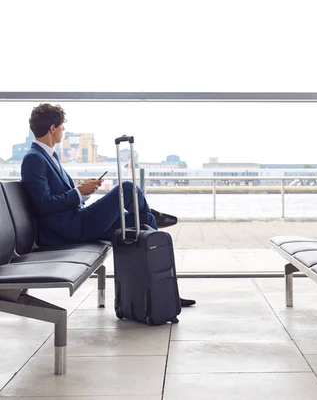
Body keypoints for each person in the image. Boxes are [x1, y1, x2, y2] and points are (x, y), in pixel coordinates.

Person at [21, 103, 195, 308]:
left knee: (143, 222)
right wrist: (78, 192)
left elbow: (56, 198)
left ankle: (167, 292)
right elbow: (43, 205)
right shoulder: (34, 159)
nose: (63, 131)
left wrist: (83, 192)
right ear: (52, 128)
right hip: (68, 229)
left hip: (75, 221)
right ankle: (150, 214)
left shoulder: (50, 156)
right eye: (61, 127)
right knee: (128, 188)